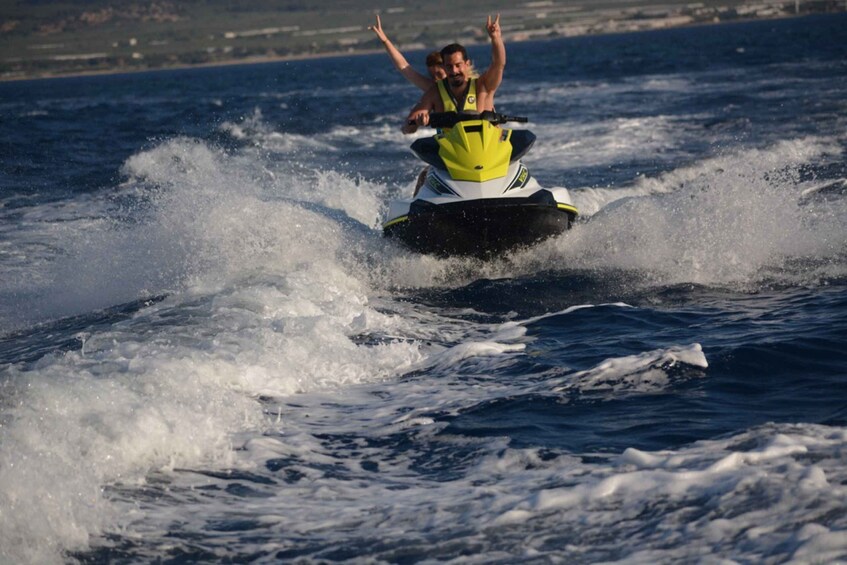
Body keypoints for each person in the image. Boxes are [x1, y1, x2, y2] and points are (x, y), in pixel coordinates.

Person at [402, 15, 504, 135]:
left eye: (458, 65)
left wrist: (496, 39)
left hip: (486, 147)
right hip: (454, 150)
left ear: (467, 64)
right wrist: (418, 122)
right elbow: (407, 128)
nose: (454, 71)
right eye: (449, 66)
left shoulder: (483, 85)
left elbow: (498, 64)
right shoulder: (435, 92)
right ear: (444, 67)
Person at [369, 14, 447, 91]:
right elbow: (404, 67)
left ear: (448, 69)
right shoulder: (432, 87)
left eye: (439, 74)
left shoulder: (458, 87)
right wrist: (385, 41)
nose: (436, 79)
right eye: (432, 76)